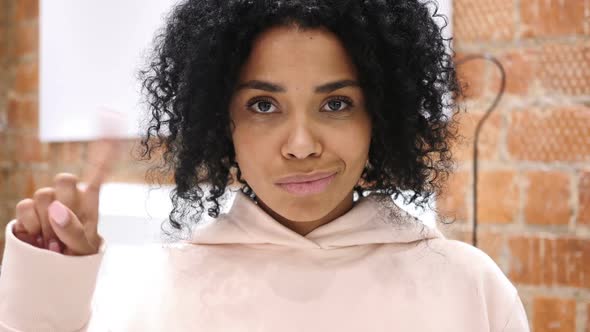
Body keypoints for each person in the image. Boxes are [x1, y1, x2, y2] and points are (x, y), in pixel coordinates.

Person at [0, 0, 530, 331]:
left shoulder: (469, 288)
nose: (301, 145)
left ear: (379, 115)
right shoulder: (157, 287)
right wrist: (53, 288)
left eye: (336, 103)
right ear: (222, 120)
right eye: (263, 105)